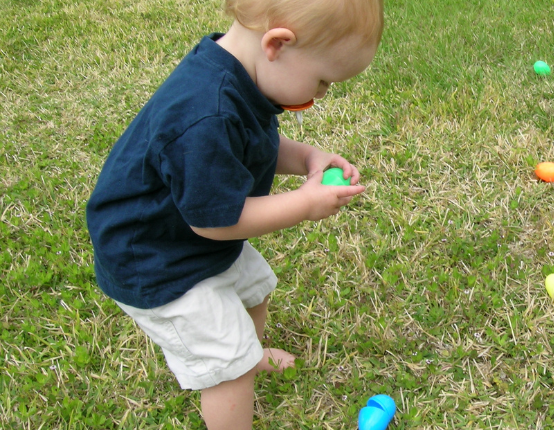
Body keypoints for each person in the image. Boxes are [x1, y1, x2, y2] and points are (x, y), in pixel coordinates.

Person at [85, 0, 384, 427]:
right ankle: (239, 365)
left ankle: (250, 351)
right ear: (277, 45)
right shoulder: (206, 110)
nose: (321, 95)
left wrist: (308, 159)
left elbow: (250, 142)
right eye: (322, 80)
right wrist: (304, 204)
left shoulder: (238, 78)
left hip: (184, 238)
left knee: (254, 290)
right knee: (230, 373)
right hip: (156, 259)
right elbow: (215, 221)